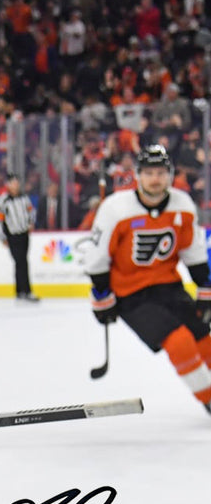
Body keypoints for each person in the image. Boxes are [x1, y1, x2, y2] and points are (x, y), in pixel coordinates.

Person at [85, 144, 211, 413]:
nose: (156, 178)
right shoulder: (116, 209)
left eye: (161, 172)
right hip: (131, 294)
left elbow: (193, 252)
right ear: (138, 175)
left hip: (169, 287)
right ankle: (208, 398)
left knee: (204, 338)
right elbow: (97, 258)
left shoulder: (182, 204)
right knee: (179, 342)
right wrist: (101, 296)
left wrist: (204, 288)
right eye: (150, 172)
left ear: (170, 174)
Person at [0, 172, 40, 301]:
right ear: (8, 185)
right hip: (13, 235)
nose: (16, 185)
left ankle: (20, 291)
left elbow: (31, 211)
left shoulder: (24, 197)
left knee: (22, 262)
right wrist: (2, 237)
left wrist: (31, 222)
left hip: (24, 233)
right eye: (13, 183)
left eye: (17, 183)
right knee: (21, 261)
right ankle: (26, 291)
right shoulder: (3, 200)